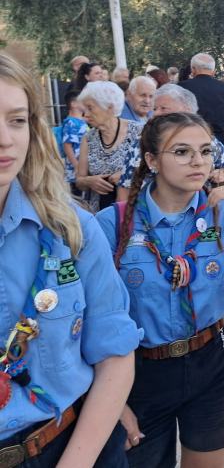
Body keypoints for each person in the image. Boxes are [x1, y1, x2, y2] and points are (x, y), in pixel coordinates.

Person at [96, 112, 224, 468]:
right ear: (151, 160)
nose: (198, 161)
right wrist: (109, 399)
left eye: (206, 151)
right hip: (139, 372)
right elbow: (94, 319)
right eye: (181, 151)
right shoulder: (113, 224)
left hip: (213, 360)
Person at [0, 53, 138, 466]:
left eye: (17, 120)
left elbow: (114, 352)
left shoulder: (70, 228)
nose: (5, 138)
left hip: (70, 445)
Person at [116, 84, 224, 192]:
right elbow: (125, 190)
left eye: (163, 108)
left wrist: (222, 177)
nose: (156, 113)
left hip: (200, 213)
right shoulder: (142, 143)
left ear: (187, 111)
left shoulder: (209, 141)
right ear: (151, 159)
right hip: (147, 215)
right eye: (154, 109)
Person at [75, 81, 143, 212]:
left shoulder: (138, 131)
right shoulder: (88, 138)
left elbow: (154, 171)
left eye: (90, 108)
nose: (86, 115)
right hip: (100, 213)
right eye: (85, 110)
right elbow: (79, 180)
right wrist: (89, 181)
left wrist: (127, 176)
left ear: (109, 107)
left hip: (135, 210)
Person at [178, 53, 224, 161]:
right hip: (221, 143)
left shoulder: (181, 88)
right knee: (222, 176)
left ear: (193, 69)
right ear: (213, 71)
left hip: (189, 143)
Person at [61, 89, 89, 193]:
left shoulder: (80, 121)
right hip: (76, 170)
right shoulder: (70, 123)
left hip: (82, 167)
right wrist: (77, 165)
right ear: (73, 104)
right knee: (78, 196)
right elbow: (67, 145)